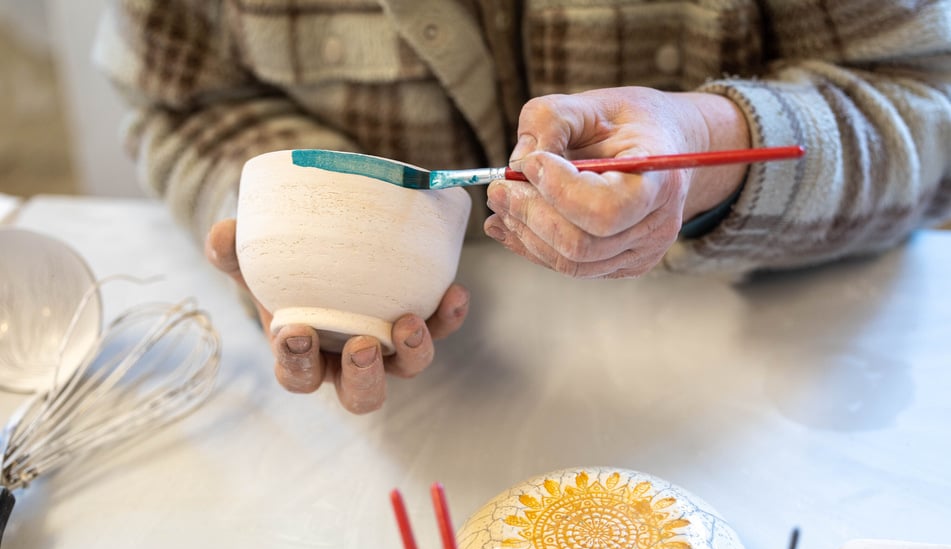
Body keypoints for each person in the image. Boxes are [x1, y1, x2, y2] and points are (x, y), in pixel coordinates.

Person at [94, 0, 951, 414]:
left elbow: (926, 111)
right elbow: (183, 101)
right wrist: (287, 227)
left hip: (775, 381)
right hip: (411, 411)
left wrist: (705, 147)